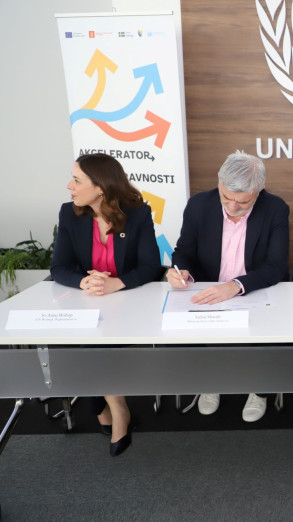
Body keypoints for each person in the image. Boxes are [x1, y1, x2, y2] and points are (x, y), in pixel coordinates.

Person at [51, 153, 162, 456]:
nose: (69, 186)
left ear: (100, 187)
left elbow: (151, 266)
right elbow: (59, 267)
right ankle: (117, 408)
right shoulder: (69, 213)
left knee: (92, 345)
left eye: (76, 180)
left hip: (128, 304)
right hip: (86, 302)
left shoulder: (137, 214)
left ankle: (105, 409)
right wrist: (84, 282)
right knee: (90, 339)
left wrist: (117, 282)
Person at [167, 150, 289, 422]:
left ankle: (258, 390)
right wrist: (180, 270)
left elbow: (276, 266)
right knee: (204, 339)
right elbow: (183, 251)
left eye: (243, 202)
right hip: (209, 290)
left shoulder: (275, 209)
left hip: (253, 290)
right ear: (219, 182)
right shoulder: (199, 205)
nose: (233, 207)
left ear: (259, 190)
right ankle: (211, 383)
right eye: (226, 198)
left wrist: (235, 286)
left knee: (263, 338)